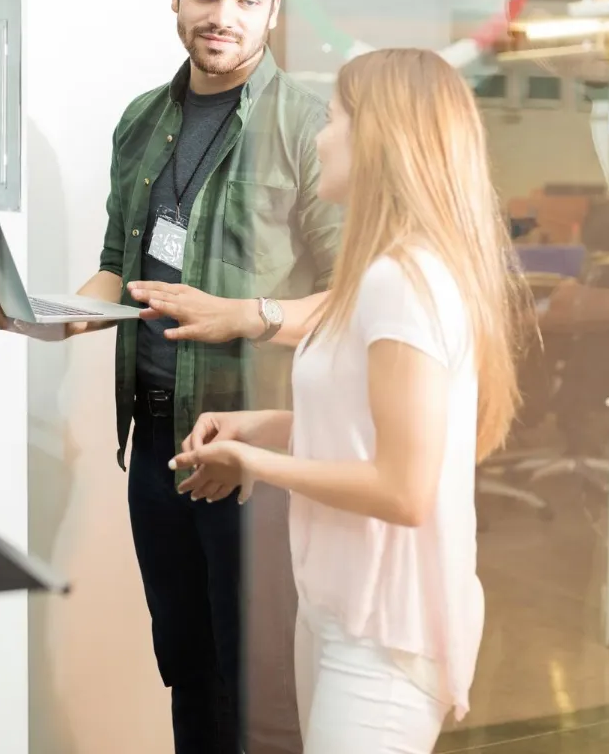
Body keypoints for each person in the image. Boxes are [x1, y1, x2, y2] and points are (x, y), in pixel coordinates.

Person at [0, 0, 341, 754]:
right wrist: (55, 319)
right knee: (186, 663)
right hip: (155, 442)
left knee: (261, 687)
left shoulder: (309, 128)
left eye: (247, 0)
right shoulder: (142, 120)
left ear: (274, 10)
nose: (223, 17)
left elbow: (351, 294)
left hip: (255, 450)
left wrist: (248, 316)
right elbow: (120, 264)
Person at [169, 48, 532, 753]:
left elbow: (403, 488)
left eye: (333, 119)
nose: (319, 137)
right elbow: (368, 429)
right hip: (337, 608)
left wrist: (256, 462)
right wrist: (266, 428)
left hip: (385, 634)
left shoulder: (405, 282)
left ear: (377, 139)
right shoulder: (381, 276)